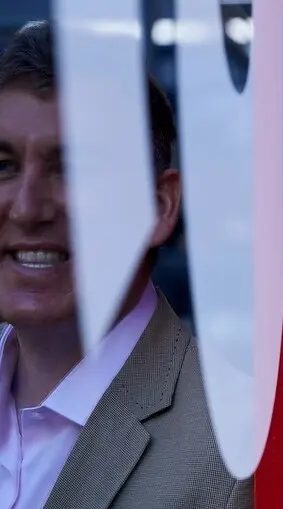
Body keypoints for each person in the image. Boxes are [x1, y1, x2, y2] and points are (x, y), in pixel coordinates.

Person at [0, 21, 251, 508]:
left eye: (73, 168)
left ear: (159, 206)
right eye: (3, 166)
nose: (27, 208)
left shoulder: (238, 450)